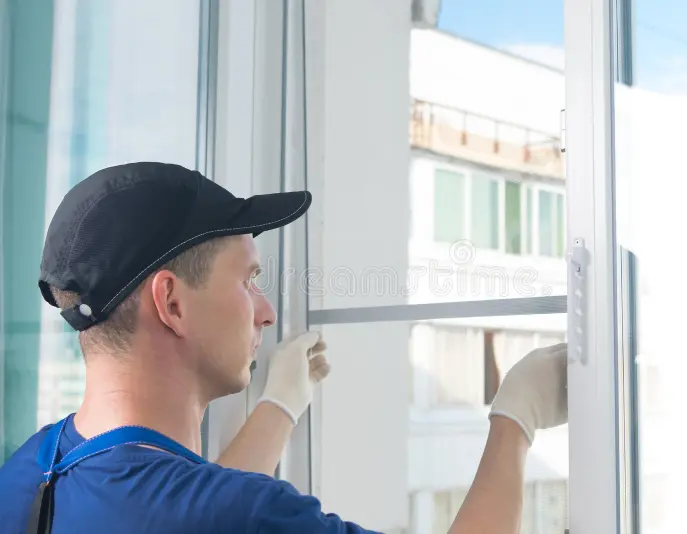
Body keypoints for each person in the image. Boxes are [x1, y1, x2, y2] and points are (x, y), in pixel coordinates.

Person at [0, 162, 568, 534]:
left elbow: (172, 500)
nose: (267, 311)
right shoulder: (251, 516)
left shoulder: (30, 469)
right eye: (248, 279)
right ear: (171, 304)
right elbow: (213, 511)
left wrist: (279, 406)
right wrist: (516, 416)